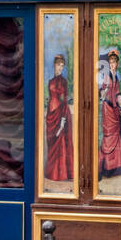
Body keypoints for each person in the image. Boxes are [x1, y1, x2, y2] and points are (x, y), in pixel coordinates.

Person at [45, 54, 74, 183]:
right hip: (51, 114)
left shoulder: (63, 82)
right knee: (51, 141)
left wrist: (63, 119)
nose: (60, 68)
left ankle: (61, 174)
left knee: (61, 141)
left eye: (62, 66)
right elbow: (51, 99)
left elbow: (64, 100)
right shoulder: (50, 81)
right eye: (58, 65)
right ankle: (52, 172)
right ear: (54, 65)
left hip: (61, 113)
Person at [98, 50, 121, 178]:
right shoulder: (107, 76)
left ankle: (116, 166)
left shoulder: (116, 77)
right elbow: (103, 91)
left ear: (117, 64)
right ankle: (105, 167)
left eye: (114, 62)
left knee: (116, 134)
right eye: (110, 62)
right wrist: (104, 91)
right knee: (109, 135)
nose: (112, 65)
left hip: (114, 108)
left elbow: (118, 93)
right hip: (108, 108)